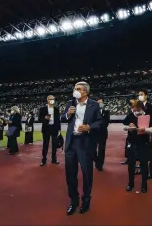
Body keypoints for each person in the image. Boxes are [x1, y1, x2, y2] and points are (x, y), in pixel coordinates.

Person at [61, 82, 102, 215]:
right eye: (74, 88)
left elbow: (100, 122)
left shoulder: (94, 105)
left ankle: (86, 201)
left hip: (85, 143)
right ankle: (73, 202)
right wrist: (68, 114)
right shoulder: (70, 103)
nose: (75, 91)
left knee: (86, 174)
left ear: (85, 92)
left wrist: (89, 127)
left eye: (78, 89)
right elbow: (63, 118)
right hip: (71, 143)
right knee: (70, 175)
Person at [123, 100, 152, 193]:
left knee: (144, 165)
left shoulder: (147, 117)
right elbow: (124, 126)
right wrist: (129, 127)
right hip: (132, 143)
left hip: (143, 143)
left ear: (141, 108)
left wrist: (145, 129)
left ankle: (144, 185)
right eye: (133, 108)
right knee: (131, 165)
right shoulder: (130, 115)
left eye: (136, 109)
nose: (134, 110)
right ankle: (130, 184)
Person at [137, 89, 152, 179]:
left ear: (146, 96)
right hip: (139, 132)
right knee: (141, 153)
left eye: (141, 94)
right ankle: (143, 169)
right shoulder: (137, 106)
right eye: (139, 95)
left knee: (150, 153)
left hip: (148, 132)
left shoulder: (150, 107)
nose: (139, 96)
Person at [39, 95, 61, 166]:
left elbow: (58, 120)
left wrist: (59, 129)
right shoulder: (42, 109)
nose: (52, 100)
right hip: (46, 128)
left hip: (54, 128)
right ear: (47, 100)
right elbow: (39, 119)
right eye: (50, 99)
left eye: (53, 99)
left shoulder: (56, 109)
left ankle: (54, 159)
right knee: (45, 144)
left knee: (54, 144)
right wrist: (45, 118)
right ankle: (44, 159)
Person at [94, 97, 110, 171]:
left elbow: (106, 122)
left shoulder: (106, 112)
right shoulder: (93, 112)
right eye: (99, 102)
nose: (100, 104)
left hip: (102, 133)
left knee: (101, 150)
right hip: (94, 133)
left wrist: (98, 125)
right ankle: (97, 161)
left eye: (101, 102)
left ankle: (100, 165)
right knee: (92, 150)